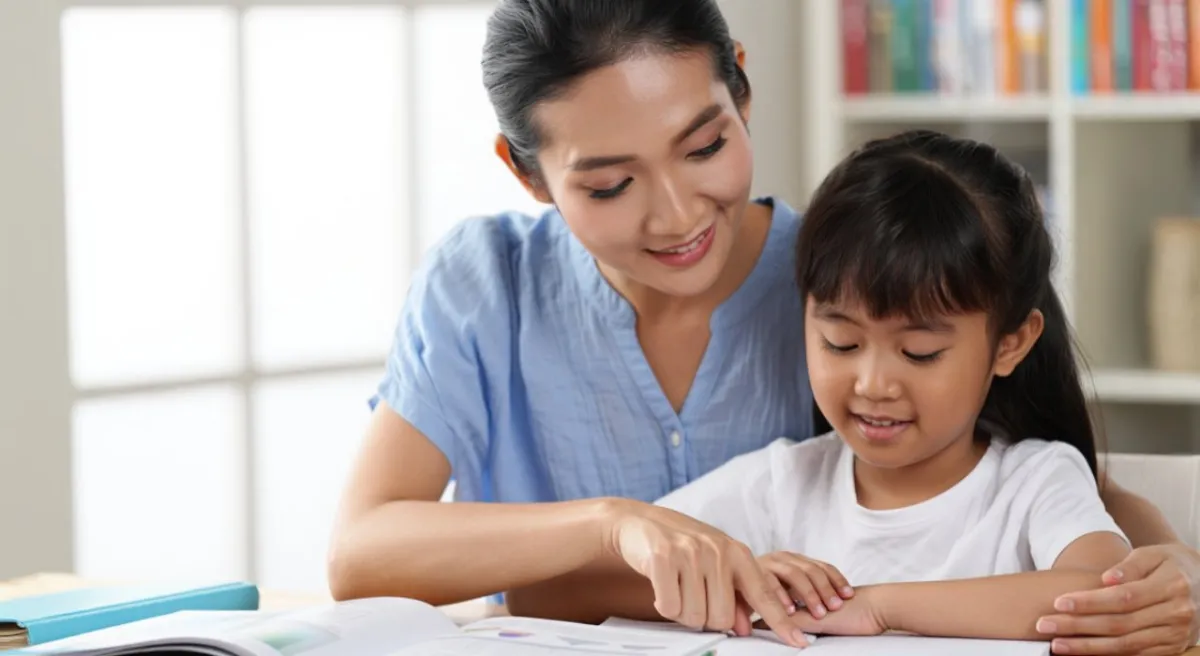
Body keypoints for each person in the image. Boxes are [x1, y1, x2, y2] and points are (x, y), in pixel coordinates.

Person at [324, 1, 1200, 653]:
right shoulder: (487, 284)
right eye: (609, 185)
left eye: (704, 146)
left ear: (741, 85)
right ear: (528, 173)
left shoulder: (842, 279)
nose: (676, 216)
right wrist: (612, 523)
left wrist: (1174, 569)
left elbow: (1039, 474)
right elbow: (363, 554)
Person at [639, 129, 1154, 650]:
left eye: (919, 353)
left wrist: (878, 607)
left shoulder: (1034, 481)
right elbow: (622, 559)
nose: (874, 385)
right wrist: (735, 581)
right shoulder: (782, 486)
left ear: (1010, 345)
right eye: (840, 343)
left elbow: (1101, 590)